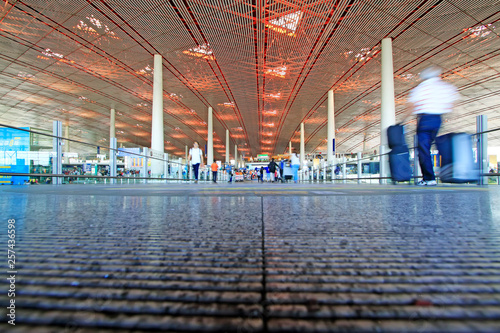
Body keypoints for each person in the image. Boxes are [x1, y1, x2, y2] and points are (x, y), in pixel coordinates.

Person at [406, 66, 459, 186]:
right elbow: (453, 102)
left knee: (424, 149)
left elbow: (411, 106)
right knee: (440, 145)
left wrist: (403, 120)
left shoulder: (421, 88)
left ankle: (429, 178)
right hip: (438, 119)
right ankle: (448, 173)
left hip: (424, 119)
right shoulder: (445, 87)